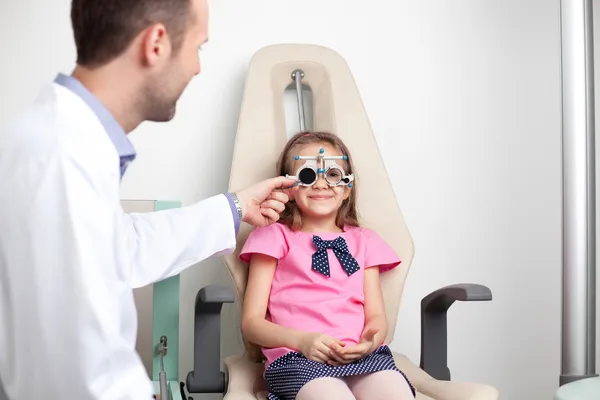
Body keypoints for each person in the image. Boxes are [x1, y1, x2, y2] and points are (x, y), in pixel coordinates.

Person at [0, 0, 296, 399]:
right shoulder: (63, 159)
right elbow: (85, 378)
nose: (197, 66)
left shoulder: (61, 140)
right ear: (156, 43)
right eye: (198, 47)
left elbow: (122, 245)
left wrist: (236, 207)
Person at [239, 131, 416, 400]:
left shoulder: (365, 242)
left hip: (360, 358)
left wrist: (370, 340)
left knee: (396, 393)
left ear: (347, 188)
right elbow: (251, 323)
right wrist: (301, 341)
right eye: (308, 175)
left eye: (332, 175)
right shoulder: (273, 237)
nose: (321, 184)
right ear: (289, 187)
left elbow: (377, 318)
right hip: (295, 359)